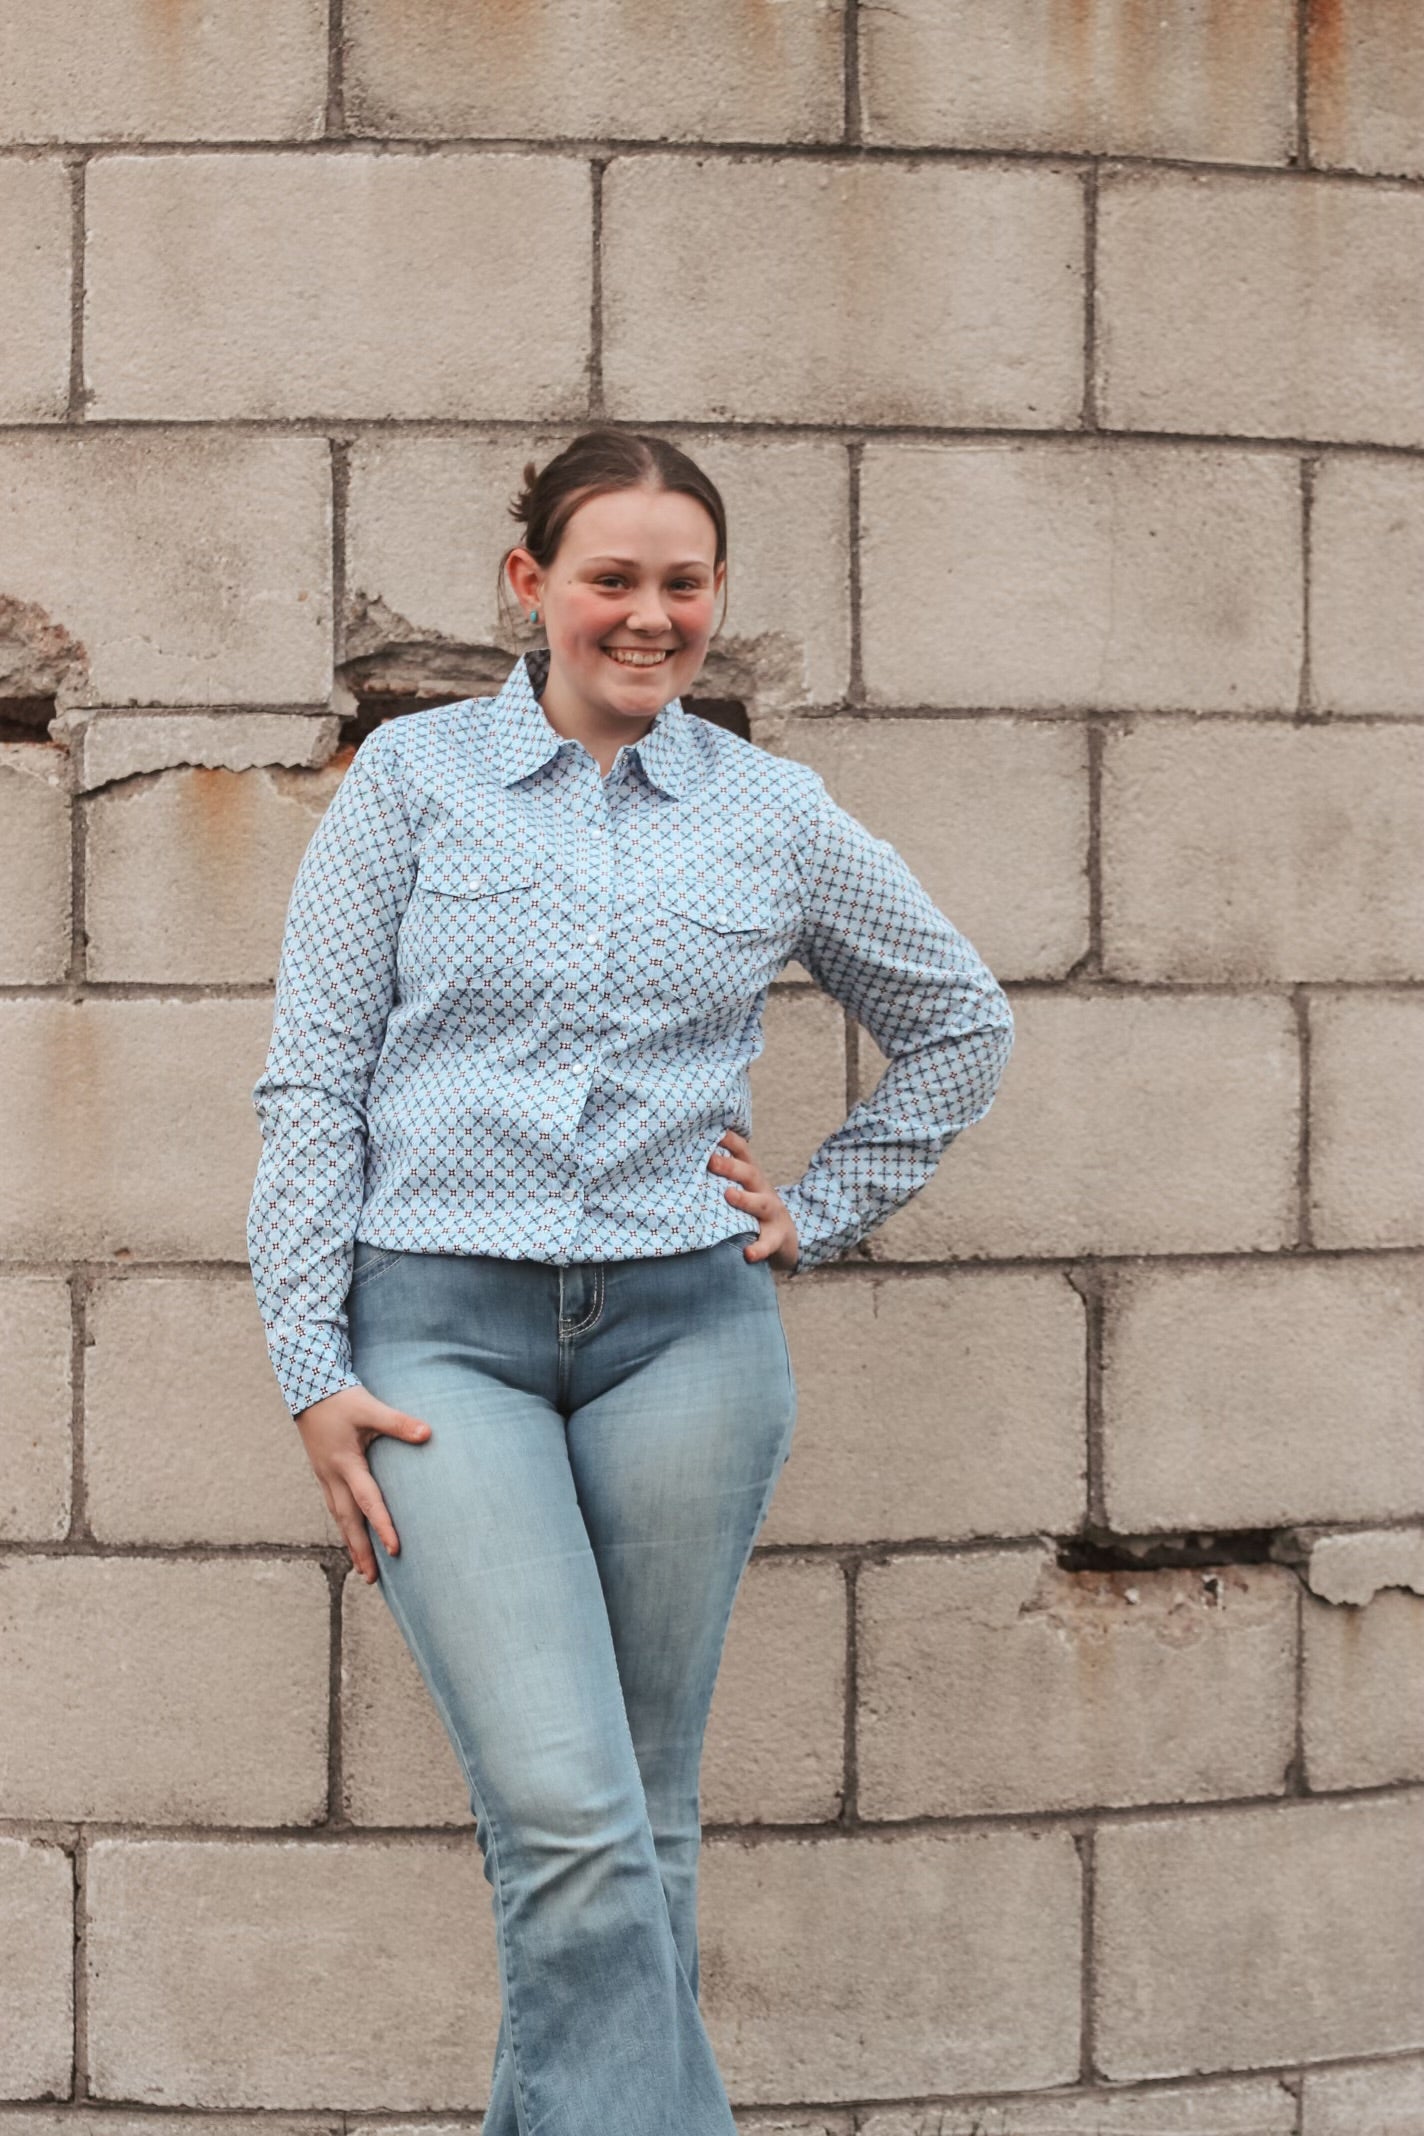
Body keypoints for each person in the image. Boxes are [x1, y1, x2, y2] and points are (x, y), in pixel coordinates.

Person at [246, 426, 1014, 2136]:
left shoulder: (773, 816)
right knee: (573, 1824)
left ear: (717, 597)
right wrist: (311, 1358)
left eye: (683, 583)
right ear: (532, 587)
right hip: (442, 1338)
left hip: (690, 1341)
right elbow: (313, 1078)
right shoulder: (413, 783)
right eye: (612, 579)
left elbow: (962, 1024)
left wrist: (820, 1205)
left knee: (636, 1830)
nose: (648, 616)